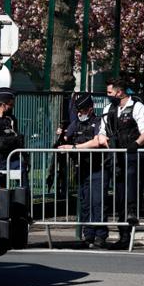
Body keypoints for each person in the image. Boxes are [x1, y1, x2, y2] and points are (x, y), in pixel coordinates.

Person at [98, 78, 144, 250]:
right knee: (120, 196)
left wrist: (135, 144)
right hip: (116, 159)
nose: (108, 96)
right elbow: (101, 131)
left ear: (119, 92)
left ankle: (128, 233)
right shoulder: (109, 109)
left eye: (110, 93)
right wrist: (104, 140)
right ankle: (123, 236)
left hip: (133, 158)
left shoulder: (137, 107)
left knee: (131, 195)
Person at [58, 93, 108, 248]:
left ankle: (100, 235)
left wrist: (74, 147)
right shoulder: (76, 123)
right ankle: (89, 235)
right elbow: (67, 138)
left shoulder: (99, 122)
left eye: (83, 110)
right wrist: (62, 135)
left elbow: (97, 142)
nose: (80, 113)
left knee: (98, 202)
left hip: (98, 167)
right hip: (82, 168)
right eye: (78, 110)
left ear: (91, 109)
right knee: (85, 202)